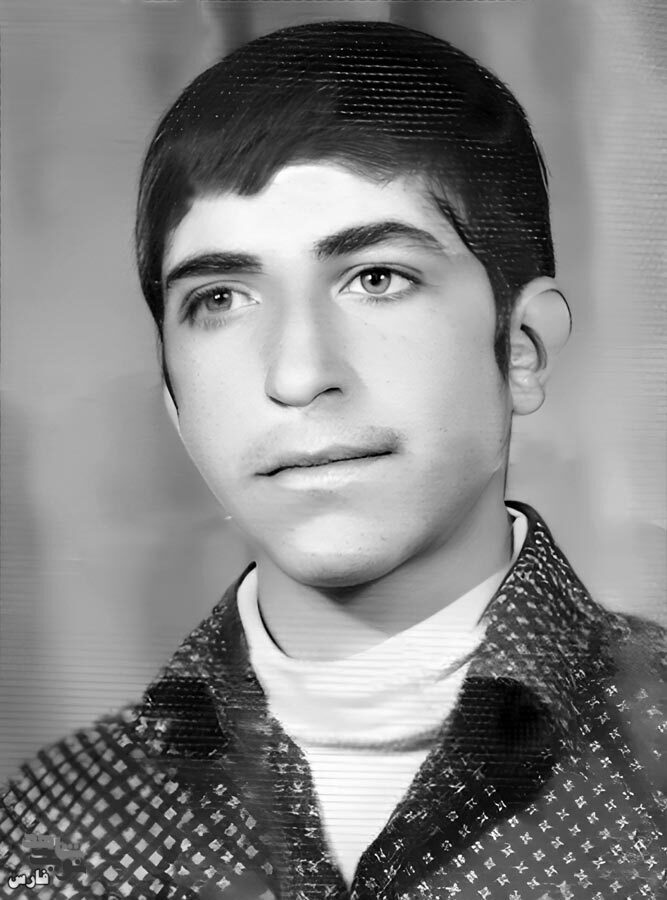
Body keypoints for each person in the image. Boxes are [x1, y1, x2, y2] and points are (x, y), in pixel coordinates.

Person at [1, 19, 666, 900]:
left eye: (376, 278)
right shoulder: (52, 822)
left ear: (522, 348)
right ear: (173, 395)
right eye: (221, 298)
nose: (297, 374)